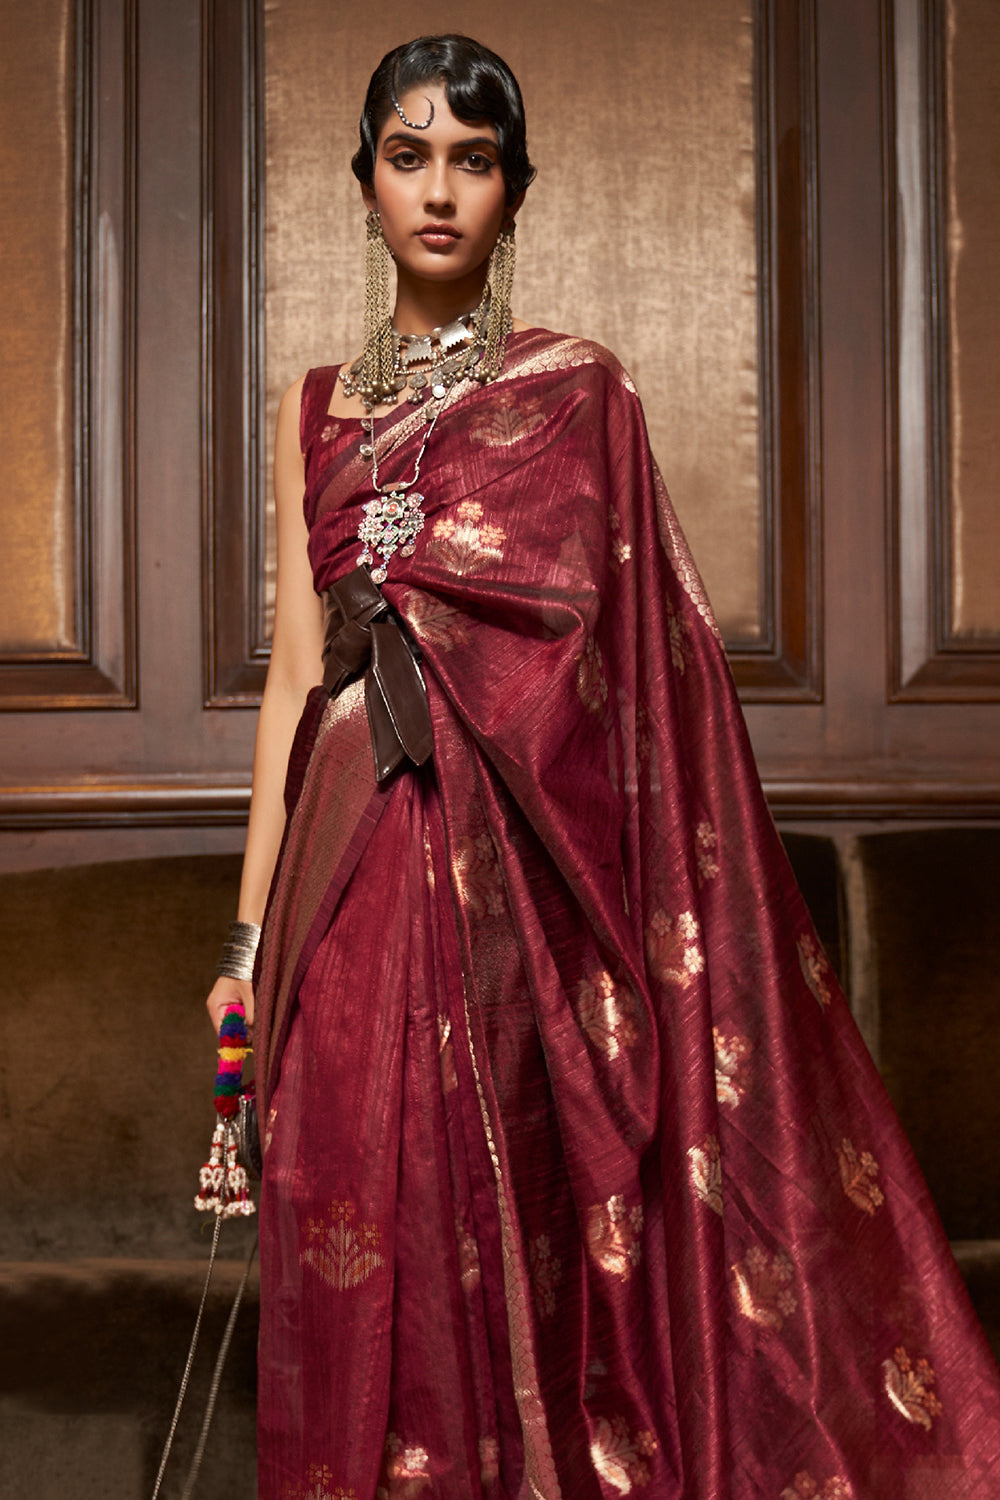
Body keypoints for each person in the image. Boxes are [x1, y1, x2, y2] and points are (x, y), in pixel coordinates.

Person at [205, 34, 1000, 1500]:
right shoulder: (312, 409)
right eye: (408, 157)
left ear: (515, 190)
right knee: (351, 1218)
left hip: (514, 902)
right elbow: (298, 678)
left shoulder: (576, 395)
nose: (439, 191)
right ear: (364, 180)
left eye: (473, 161)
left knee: (507, 1238)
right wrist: (247, 945)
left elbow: (623, 676)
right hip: (344, 890)